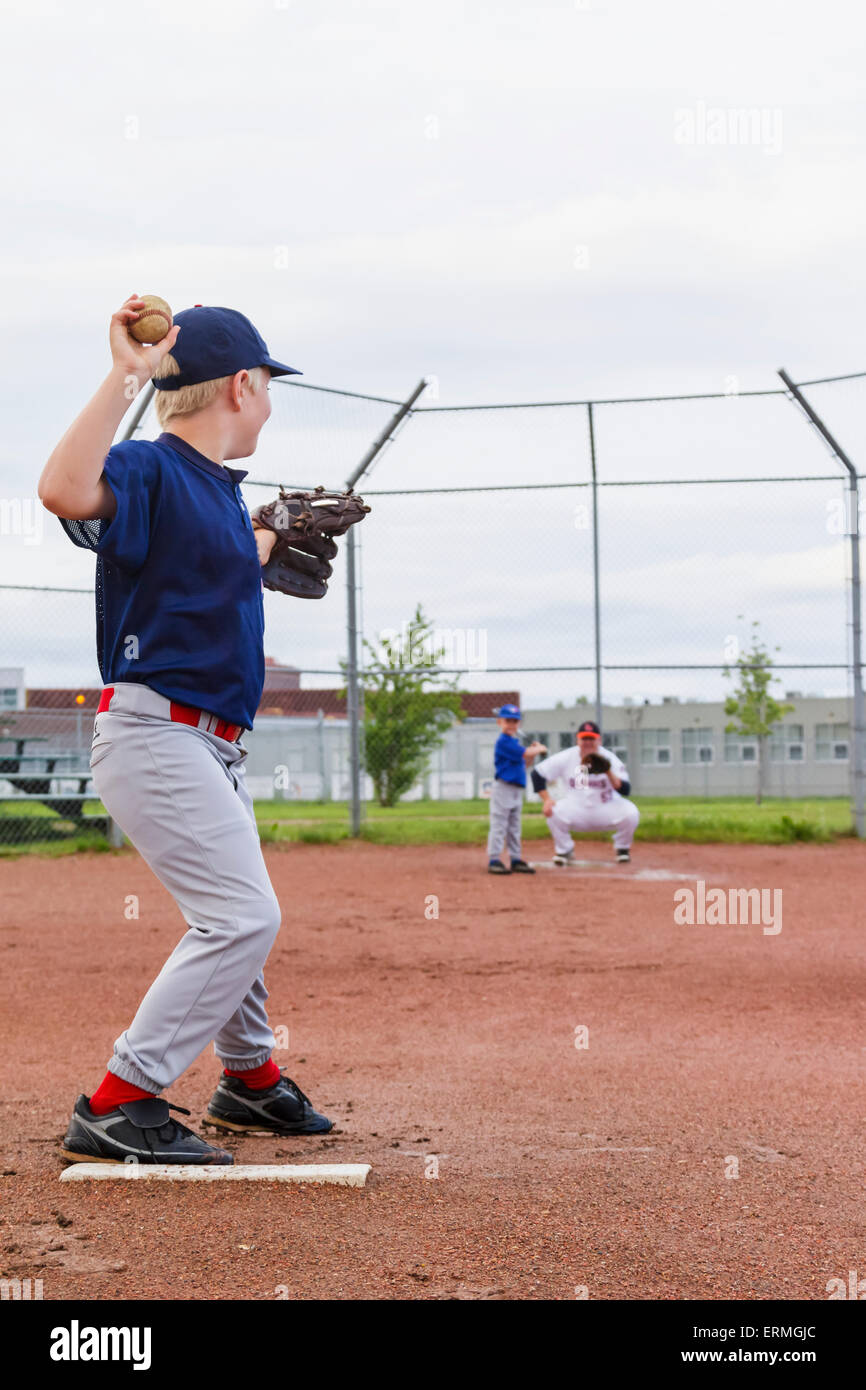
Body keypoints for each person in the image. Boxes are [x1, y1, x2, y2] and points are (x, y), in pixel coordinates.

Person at [38, 295, 332, 1165]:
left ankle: (250, 1081)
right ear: (241, 384)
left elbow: (232, 548)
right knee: (243, 915)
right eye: (268, 385)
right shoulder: (150, 470)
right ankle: (120, 1099)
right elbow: (61, 490)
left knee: (230, 906)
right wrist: (127, 372)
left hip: (210, 745)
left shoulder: (217, 499)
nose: (271, 401)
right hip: (154, 735)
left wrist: (272, 538)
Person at [531, 720, 639, 864]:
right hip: (576, 808)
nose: (588, 742)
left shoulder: (610, 758)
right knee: (553, 810)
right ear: (578, 739)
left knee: (631, 813)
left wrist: (608, 771)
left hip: (606, 807)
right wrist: (546, 800)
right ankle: (564, 850)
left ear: (599, 740)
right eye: (584, 738)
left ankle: (622, 848)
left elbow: (626, 790)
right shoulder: (567, 756)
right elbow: (537, 774)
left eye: (591, 738)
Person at [486, 704, 547, 874]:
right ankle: (494, 859)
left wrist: (533, 752)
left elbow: (525, 763)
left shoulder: (514, 742)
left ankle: (515, 859)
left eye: (515, 721)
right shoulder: (504, 742)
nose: (511, 724)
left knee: (514, 826)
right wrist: (537, 749)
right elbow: (525, 754)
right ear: (500, 722)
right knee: (499, 824)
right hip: (503, 788)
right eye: (508, 721)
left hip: (516, 789)